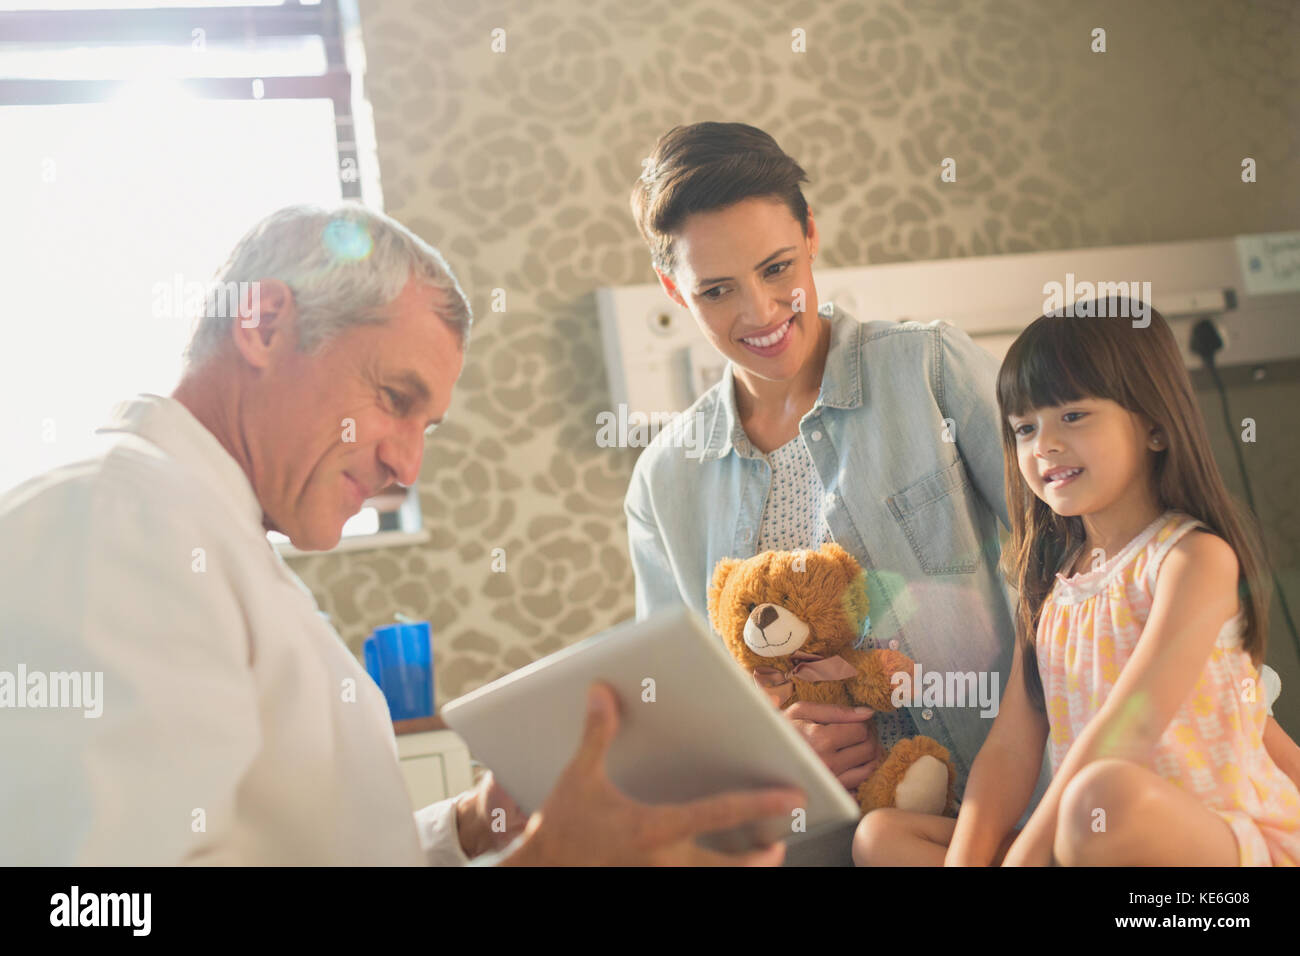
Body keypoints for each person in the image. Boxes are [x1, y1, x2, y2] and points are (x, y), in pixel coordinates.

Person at [0, 203, 802, 866]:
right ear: (265, 321)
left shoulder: (209, 541)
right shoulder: (119, 520)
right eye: (393, 395)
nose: (408, 464)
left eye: (430, 426)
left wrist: (473, 829)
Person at [624, 121, 1042, 809]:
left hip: (1003, 809)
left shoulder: (930, 370)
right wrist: (775, 749)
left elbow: (1075, 561)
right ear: (673, 288)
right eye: (716, 290)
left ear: (811, 235)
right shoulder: (665, 483)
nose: (760, 312)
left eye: (777, 268)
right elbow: (677, 712)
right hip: (813, 836)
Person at [855, 305, 1300, 865]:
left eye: (1072, 416)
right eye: (1024, 428)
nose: (1043, 444)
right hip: (1086, 842)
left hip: (1218, 852)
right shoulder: (1049, 589)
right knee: (881, 838)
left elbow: (1125, 730)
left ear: (1155, 426)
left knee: (1101, 799)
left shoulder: (1193, 559)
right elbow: (1010, 750)